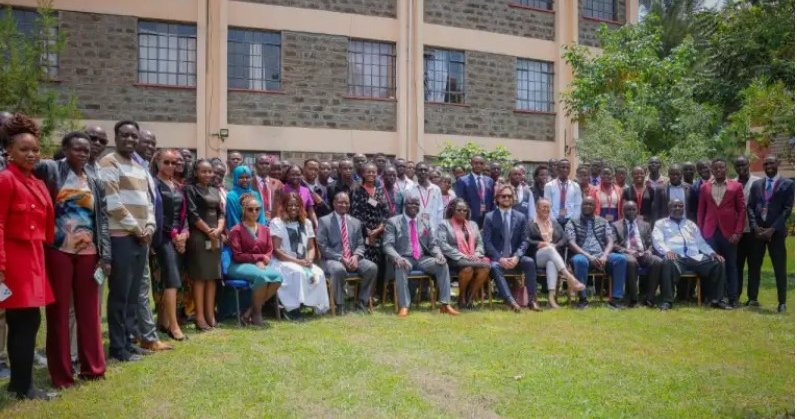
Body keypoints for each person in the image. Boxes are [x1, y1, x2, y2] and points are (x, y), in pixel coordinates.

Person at [34, 131, 109, 388]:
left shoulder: (95, 180)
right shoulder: (51, 169)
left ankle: (93, 368)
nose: (83, 153)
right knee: (59, 313)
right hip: (58, 251)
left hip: (89, 254)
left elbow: (102, 221)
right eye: (77, 148)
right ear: (65, 150)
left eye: (86, 150)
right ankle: (62, 374)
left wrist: (105, 256)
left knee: (89, 313)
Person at [0, 114, 55, 399]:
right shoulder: (6, 180)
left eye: (35, 149)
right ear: (9, 150)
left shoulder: (37, 182)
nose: (32, 154)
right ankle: (24, 386)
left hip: (34, 258)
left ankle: (17, 383)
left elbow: (47, 227)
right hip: (14, 261)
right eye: (24, 149)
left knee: (29, 322)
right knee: (25, 322)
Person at [99, 120, 159, 362]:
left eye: (134, 136)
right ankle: (117, 347)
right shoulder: (108, 162)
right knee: (120, 294)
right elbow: (112, 204)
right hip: (122, 237)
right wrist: (137, 229)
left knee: (134, 294)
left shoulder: (139, 166)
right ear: (116, 137)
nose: (130, 140)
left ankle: (130, 341)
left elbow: (148, 202)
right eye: (125, 135)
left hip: (141, 238)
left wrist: (150, 226)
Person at [383, 196, 459, 317]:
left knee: (442, 264)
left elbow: (433, 244)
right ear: (404, 205)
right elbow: (387, 245)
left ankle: (445, 304)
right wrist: (397, 257)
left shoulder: (425, 222)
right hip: (404, 258)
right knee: (401, 266)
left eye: (417, 204)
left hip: (422, 258)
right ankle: (404, 306)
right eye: (410, 203)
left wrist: (439, 254)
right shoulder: (393, 222)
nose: (414, 206)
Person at [130, 129, 171, 352]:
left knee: (141, 287)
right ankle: (139, 335)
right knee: (136, 288)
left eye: (153, 143)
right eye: (146, 142)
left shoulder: (144, 166)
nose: (150, 146)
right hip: (134, 235)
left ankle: (143, 335)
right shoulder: (130, 165)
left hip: (148, 235)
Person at [652, 199, 729, 309]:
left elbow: (701, 242)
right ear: (669, 208)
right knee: (667, 262)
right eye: (675, 206)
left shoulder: (690, 224)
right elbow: (657, 240)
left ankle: (717, 299)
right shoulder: (661, 224)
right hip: (676, 257)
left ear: (684, 208)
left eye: (680, 206)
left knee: (718, 262)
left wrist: (712, 253)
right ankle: (667, 301)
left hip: (694, 257)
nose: (678, 208)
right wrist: (667, 251)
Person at [746, 156, 794, 312]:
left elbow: (787, 209)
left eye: (771, 163)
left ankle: (782, 302)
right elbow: (751, 207)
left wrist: (772, 229)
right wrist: (755, 226)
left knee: (779, 268)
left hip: (776, 233)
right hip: (758, 233)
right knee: (754, 266)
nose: (768, 166)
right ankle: (752, 298)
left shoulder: (788, 184)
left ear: (778, 164)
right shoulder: (756, 184)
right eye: (766, 163)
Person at [317, 192, 378, 314]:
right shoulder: (324, 221)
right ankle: (340, 304)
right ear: (334, 203)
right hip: (332, 259)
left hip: (353, 258)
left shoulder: (355, 222)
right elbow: (322, 246)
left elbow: (361, 244)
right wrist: (340, 258)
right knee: (338, 270)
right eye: (340, 202)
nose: (343, 205)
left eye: (346, 203)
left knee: (372, 268)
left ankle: (361, 302)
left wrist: (356, 256)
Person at [270, 192, 329, 318]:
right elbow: (277, 251)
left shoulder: (306, 222)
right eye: (290, 205)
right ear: (284, 206)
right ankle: (291, 309)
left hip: (302, 260)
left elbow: (311, 247)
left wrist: (309, 259)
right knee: (297, 272)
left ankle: (317, 306)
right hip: (283, 262)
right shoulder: (277, 222)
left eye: (296, 205)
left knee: (318, 273)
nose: (293, 208)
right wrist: (298, 262)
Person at [227, 194, 283, 326]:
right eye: (250, 209)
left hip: (260, 265)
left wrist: (264, 259)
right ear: (243, 211)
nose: (254, 212)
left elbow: (269, 250)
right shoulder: (236, 230)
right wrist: (259, 258)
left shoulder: (265, 229)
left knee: (278, 278)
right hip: (239, 265)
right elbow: (237, 255)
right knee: (263, 277)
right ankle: (257, 314)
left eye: (257, 209)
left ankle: (249, 312)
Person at [696, 158, 745, 307]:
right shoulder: (705, 187)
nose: (718, 170)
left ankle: (733, 298)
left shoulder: (736, 186)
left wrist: (738, 232)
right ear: (712, 170)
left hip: (729, 233)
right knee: (712, 265)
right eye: (715, 168)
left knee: (731, 265)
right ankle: (713, 297)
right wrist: (700, 234)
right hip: (709, 233)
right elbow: (701, 211)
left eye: (721, 168)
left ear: (726, 169)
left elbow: (742, 210)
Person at [482, 185, 538, 311]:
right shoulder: (489, 217)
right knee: (495, 267)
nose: (506, 198)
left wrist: (517, 256)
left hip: (515, 257)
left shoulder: (520, 217)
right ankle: (510, 301)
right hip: (498, 258)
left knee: (529, 262)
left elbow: (525, 241)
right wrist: (499, 258)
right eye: (503, 196)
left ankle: (532, 300)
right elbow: (487, 242)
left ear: (513, 198)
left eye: (509, 196)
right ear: (497, 198)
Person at [152, 150, 189, 340]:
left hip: (179, 237)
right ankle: (174, 327)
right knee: (171, 280)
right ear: (158, 162)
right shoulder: (153, 184)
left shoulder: (177, 186)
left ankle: (164, 321)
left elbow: (184, 215)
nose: (170, 166)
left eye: (174, 163)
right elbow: (157, 214)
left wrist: (184, 234)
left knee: (173, 279)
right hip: (163, 237)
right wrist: (175, 235)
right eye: (166, 162)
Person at [566, 197, 628, 309]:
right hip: (583, 255)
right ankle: (583, 300)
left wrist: (604, 255)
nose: (587, 206)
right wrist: (589, 256)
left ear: (595, 207)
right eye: (585, 204)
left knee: (620, 259)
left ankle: (615, 299)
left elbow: (610, 241)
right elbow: (571, 243)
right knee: (579, 261)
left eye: (590, 204)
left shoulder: (603, 221)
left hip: (601, 255)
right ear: (581, 206)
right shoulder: (572, 221)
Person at [185, 159, 225, 330]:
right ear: (195, 173)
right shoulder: (190, 189)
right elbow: (192, 215)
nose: (208, 174)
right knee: (200, 278)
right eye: (204, 171)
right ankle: (200, 317)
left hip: (215, 237)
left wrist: (219, 230)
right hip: (199, 237)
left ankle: (210, 315)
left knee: (212, 278)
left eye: (210, 171)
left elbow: (221, 213)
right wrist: (209, 231)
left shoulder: (215, 190)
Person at [526, 199, 585, 309]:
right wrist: (540, 243)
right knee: (549, 249)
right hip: (536, 257)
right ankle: (570, 278)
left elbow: (565, 239)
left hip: (552, 256)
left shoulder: (554, 223)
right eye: (543, 207)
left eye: (548, 207)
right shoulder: (530, 223)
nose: (546, 209)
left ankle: (551, 299)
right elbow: (526, 240)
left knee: (551, 262)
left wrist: (555, 246)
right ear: (537, 209)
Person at [437, 199, 491, 309]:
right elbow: (443, 244)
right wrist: (462, 255)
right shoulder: (444, 224)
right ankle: (461, 298)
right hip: (453, 258)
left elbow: (480, 243)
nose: (462, 212)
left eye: (465, 210)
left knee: (485, 268)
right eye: (459, 210)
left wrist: (476, 253)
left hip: (472, 257)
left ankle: (470, 299)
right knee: (468, 269)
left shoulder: (473, 224)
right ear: (452, 210)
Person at [611, 202, 664, 309]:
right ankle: (633, 299)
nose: (631, 212)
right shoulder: (615, 225)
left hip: (643, 253)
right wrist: (628, 251)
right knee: (631, 262)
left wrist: (649, 250)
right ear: (623, 211)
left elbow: (650, 243)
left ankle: (649, 298)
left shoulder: (645, 224)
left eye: (633, 209)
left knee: (657, 261)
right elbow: (613, 244)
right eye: (628, 209)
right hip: (626, 253)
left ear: (637, 211)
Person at [350, 163, 390, 292]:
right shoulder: (357, 190)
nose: (371, 174)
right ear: (363, 174)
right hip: (362, 235)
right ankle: (360, 293)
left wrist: (378, 229)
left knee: (377, 263)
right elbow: (355, 213)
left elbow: (386, 212)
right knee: (365, 263)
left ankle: (374, 293)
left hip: (378, 234)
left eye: (374, 172)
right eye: (368, 172)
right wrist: (367, 232)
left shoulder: (379, 191)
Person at [732, 156, 760, 303]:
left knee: (754, 265)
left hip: (754, 231)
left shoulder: (757, 182)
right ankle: (735, 295)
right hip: (737, 231)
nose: (741, 167)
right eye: (737, 165)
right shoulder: (731, 183)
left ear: (749, 164)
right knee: (737, 265)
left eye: (743, 164)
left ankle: (753, 297)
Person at [454, 155, 495, 226]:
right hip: (470, 217)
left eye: (481, 163)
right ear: (471, 164)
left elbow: (492, 200)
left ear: (484, 165)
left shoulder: (490, 181)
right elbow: (460, 200)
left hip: (486, 217)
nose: (478, 165)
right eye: (476, 163)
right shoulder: (462, 180)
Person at [407, 162, 444, 233]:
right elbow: (406, 211)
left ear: (428, 172)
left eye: (425, 170)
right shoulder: (409, 189)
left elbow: (440, 210)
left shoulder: (436, 189)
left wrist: (439, 228)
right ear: (415, 172)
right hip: (415, 229)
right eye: (420, 170)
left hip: (433, 228)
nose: (423, 172)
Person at [544, 158, 582, 227]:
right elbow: (547, 206)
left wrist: (572, 222)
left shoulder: (575, 186)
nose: (565, 170)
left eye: (568, 168)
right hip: (554, 221)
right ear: (557, 169)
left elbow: (578, 206)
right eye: (563, 167)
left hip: (571, 221)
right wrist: (554, 222)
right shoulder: (549, 186)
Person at [252, 154, 282, 219]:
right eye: (261, 163)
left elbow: (281, 203)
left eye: (267, 163)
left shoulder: (278, 183)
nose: (264, 166)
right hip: (256, 220)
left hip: (274, 221)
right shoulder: (249, 184)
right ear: (255, 165)